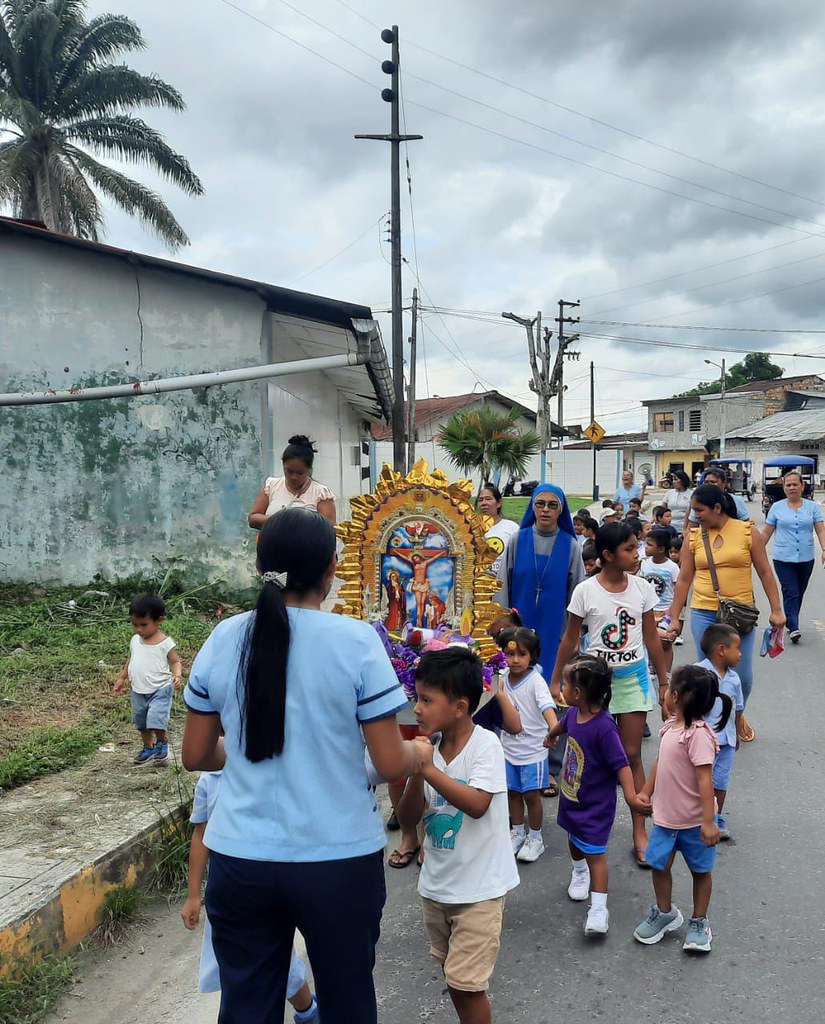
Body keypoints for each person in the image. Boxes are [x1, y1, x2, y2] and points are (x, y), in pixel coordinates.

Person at [181, 507, 426, 1024]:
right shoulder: (356, 642)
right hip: (338, 863)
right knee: (348, 1003)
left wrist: (242, 753)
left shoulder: (224, 639)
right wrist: (419, 755)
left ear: (259, 562)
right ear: (331, 569)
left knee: (246, 1006)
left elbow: (197, 755)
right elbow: (387, 760)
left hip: (240, 861)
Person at [397, 647, 519, 1024]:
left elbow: (478, 803)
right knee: (455, 978)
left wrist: (428, 770)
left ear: (460, 707)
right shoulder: (428, 750)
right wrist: (418, 773)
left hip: (478, 891)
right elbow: (406, 819)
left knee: (467, 984)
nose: (417, 708)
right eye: (416, 697)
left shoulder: (485, 746)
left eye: (427, 700)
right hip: (437, 888)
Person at [550, 522, 669, 866]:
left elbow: (651, 638)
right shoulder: (585, 591)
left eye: (637, 547)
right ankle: (586, 825)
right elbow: (571, 640)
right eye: (630, 549)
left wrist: (663, 681)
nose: (638, 554)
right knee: (590, 755)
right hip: (593, 684)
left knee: (631, 753)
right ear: (607, 555)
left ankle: (639, 829)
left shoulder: (643, 588)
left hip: (632, 679)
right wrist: (557, 680)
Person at [181, 769, 319, 1023]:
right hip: (232, 894)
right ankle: (308, 1011)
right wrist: (193, 894)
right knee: (239, 971)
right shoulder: (210, 779)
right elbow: (201, 834)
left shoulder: (269, 768)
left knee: (277, 964)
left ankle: (308, 1011)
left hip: (272, 888)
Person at [664, 484, 785, 744]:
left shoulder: (747, 531)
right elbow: (684, 579)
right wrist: (674, 617)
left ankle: (737, 713)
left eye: (699, 510)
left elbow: (765, 572)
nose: (695, 516)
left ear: (717, 508)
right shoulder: (694, 537)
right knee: (708, 674)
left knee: (742, 675)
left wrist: (777, 610)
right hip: (703, 611)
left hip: (738, 614)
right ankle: (712, 727)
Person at [546, 656, 650, 936]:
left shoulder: (604, 727)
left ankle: (598, 908)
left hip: (595, 806)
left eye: (566, 684)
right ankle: (578, 872)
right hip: (571, 797)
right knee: (573, 838)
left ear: (577, 693)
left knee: (595, 855)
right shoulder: (575, 713)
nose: (563, 688)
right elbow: (563, 724)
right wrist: (551, 735)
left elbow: (622, 765)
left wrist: (630, 796)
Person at [632, 665, 731, 954]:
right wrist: (645, 792)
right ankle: (665, 912)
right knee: (658, 863)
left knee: (701, 871)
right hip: (666, 819)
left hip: (694, 823)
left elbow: (704, 779)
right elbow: (660, 763)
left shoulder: (697, 735)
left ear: (674, 695)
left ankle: (699, 922)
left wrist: (708, 821)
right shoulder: (671, 727)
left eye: (667, 690)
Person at [497, 484, 585, 797]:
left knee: (554, 696)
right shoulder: (516, 541)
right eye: (540, 504)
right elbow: (502, 585)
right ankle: (513, 760)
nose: (545, 510)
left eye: (552, 505)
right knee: (516, 694)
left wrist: (572, 636)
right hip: (518, 632)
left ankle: (551, 767)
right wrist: (504, 626)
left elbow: (578, 593)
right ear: (532, 508)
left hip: (554, 632)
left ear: (561, 511)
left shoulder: (571, 546)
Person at [497, 628, 558, 864]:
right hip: (508, 750)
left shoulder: (535, 681)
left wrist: (554, 729)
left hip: (533, 750)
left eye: (521, 654)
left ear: (532, 656)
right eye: (510, 654)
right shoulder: (500, 678)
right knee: (512, 792)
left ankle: (535, 837)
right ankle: (517, 831)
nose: (515, 660)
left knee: (531, 795)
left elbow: (547, 708)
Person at [113, 594, 182, 766]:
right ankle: (148, 746)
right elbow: (131, 659)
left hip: (161, 688)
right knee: (141, 722)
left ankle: (161, 742)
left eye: (144, 625)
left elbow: (175, 661)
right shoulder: (136, 641)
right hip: (138, 690)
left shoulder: (165, 643)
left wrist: (177, 675)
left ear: (159, 620)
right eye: (135, 625)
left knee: (156, 718)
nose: (139, 630)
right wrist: (122, 677)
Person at [762, 470, 825, 644]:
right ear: (783, 488)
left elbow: (820, 529)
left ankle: (790, 620)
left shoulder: (812, 507)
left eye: (795, 484)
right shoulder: (777, 508)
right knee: (791, 592)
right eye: (788, 485)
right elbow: (767, 532)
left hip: (806, 557)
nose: (791, 487)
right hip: (783, 558)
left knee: (799, 591)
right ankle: (794, 627)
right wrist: (755, 550)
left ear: (802, 486)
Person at [697, 623, 744, 842]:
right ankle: (697, 816)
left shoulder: (734, 679)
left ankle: (716, 816)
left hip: (727, 741)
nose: (741, 654)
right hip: (703, 741)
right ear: (722, 650)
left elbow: (738, 707)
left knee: (721, 781)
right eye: (737, 648)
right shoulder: (699, 673)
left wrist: (737, 732)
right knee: (700, 779)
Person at [248, 435, 336, 528]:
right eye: (289, 471)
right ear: (283, 465)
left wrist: (298, 523)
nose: (293, 477)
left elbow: (328, 528)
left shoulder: (321, 493)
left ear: (309, 469)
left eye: (299, 473)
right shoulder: (271, 486)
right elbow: (253, 518)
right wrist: (281, 520)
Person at [640, 530, 680, 676]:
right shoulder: (644, 565)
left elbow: (678, 590)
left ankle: (666, 672)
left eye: (650, 544)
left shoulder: (672, 568)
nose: (646, 547)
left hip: (665, 611)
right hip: (648, 610)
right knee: (649, 639)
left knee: (665, 643)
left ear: (661, 549)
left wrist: (674, 612)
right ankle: (652, 667)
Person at [478, 484, 519, 580]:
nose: (484, 503)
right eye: (480, 500)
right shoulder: (471, 530)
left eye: (488, 499)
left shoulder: (512, 528)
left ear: (499, 503)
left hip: (505, 583)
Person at [662, 470, 693, 535]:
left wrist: (686, 529)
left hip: (684, 528)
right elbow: (662, 509)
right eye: (673, 480)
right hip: (669, 527)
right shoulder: (669, 493)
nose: (673, 482)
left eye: (676, 479)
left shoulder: (691, 494)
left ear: (683, 480)